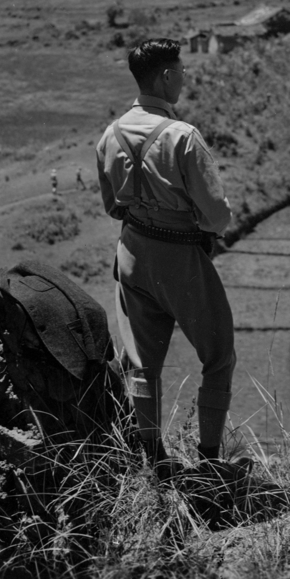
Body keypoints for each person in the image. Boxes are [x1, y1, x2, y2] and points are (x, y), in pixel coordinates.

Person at [96, 38, 238, 479]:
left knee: (142, 363)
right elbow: (218, 216)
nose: (184, 77)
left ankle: (154, 458)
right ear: (165, 77)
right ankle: (210, 461)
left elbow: (110, 206)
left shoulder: (110, 134)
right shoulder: (182, 136)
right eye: (180, 70)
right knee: (218, 357)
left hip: (132, 252)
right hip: (180, 258)